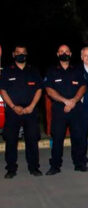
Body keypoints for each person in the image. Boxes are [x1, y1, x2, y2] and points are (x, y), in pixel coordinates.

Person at [45, 44, 88, 175]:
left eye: (66, 51)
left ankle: (79, 163)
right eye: (61, 51)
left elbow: (83, 86)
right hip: (59, 109)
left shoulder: (77, 70)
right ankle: (55, 166)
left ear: (70, 54)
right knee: (57, 138)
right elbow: (49, 89)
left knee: (78, 137)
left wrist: (74, 101)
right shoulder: (52, 70)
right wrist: (65, 101)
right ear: (58, 54)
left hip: (76, 108)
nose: (64, 53)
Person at [0, 45, 42, 179]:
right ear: (13, 54)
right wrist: (12, 106)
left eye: (23, 53)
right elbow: (3, 90)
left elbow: (39, 89)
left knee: (32, 140)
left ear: (27, 54)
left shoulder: (33, 70)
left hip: (31, 111)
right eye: (18, 53)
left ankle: (34, 167)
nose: (21, 55)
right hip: (13, 111)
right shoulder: (7, 71)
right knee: (11, 141)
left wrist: (31, 106)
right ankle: (11, 168)